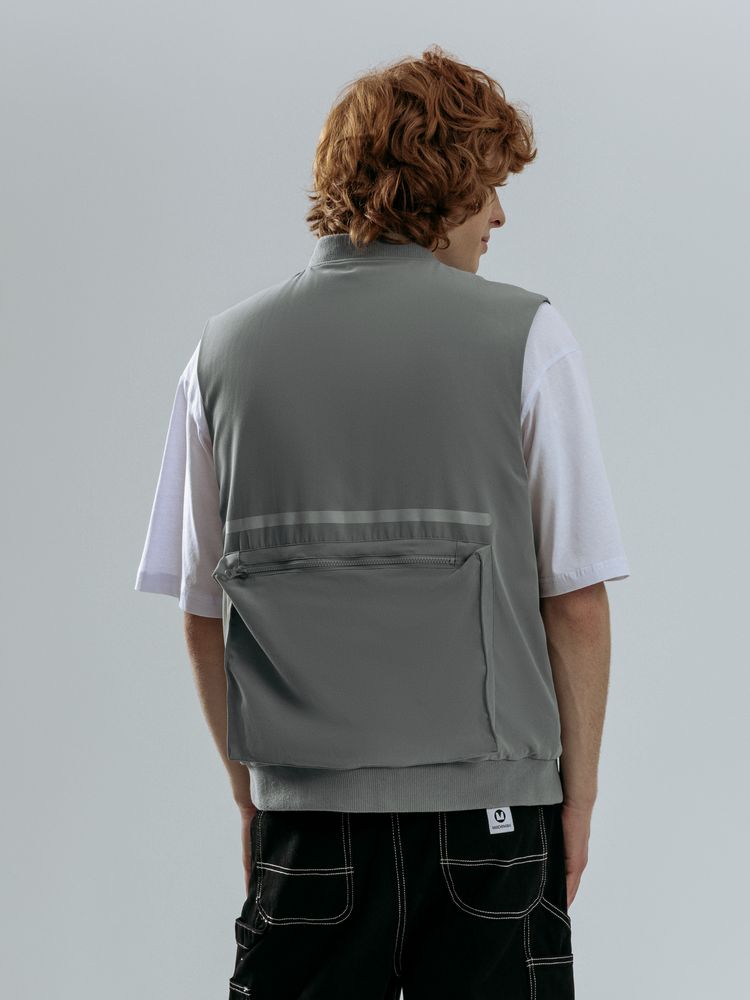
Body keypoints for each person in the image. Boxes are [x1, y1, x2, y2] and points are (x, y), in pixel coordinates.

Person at [135, 44, 629, 1000]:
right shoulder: (529, 338)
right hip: (494, 819)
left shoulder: (219, 356)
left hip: (307, 823)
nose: (499, 215)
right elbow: (576, 602)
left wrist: (254, 798)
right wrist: (578, 799)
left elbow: (201, 611)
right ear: (439, 186)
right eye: (487, 185)